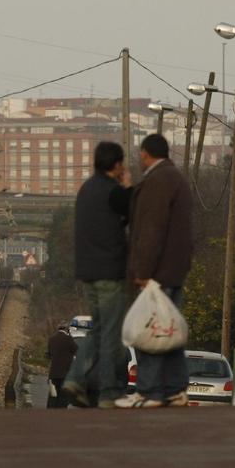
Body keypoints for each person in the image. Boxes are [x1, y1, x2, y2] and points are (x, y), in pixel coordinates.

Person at [116, 134, 194, 409]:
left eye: (140, 154)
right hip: (174, 269)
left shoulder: (158, 181)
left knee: (149, 330)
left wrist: (143, 271)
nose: (139, 159)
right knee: (169, 331)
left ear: (146, 154)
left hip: (156, 273)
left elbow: (151, 229)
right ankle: (175, 389)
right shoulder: (176, 179)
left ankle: (149, 391)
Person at [62, 141, 132, 408]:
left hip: (87, 271)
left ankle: (75, 378)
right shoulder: (114, 192)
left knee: (98, 330)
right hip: (109, 272)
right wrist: (127, 186)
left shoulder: (85, 190)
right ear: (116, 165)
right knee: (110, 334)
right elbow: (131, 211)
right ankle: (108, 392)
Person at [47, 325, 77, 408]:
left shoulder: (51, 339)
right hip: (65, 372)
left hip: (53, 372)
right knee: (63, 395)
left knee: (53, 394)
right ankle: (61, 411)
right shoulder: (68, 339)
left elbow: (49, 354)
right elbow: (76, 350)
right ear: (66, 330)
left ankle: (51, 410)